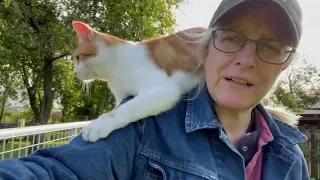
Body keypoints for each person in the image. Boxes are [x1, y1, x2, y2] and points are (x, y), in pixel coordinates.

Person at [0, 0, 310, 179]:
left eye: (269, 47)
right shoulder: (143, 125)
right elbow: (57, 171)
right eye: (231, 38)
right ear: (207, 48)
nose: (245, 60)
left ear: (283, 66)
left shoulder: (290, 160)